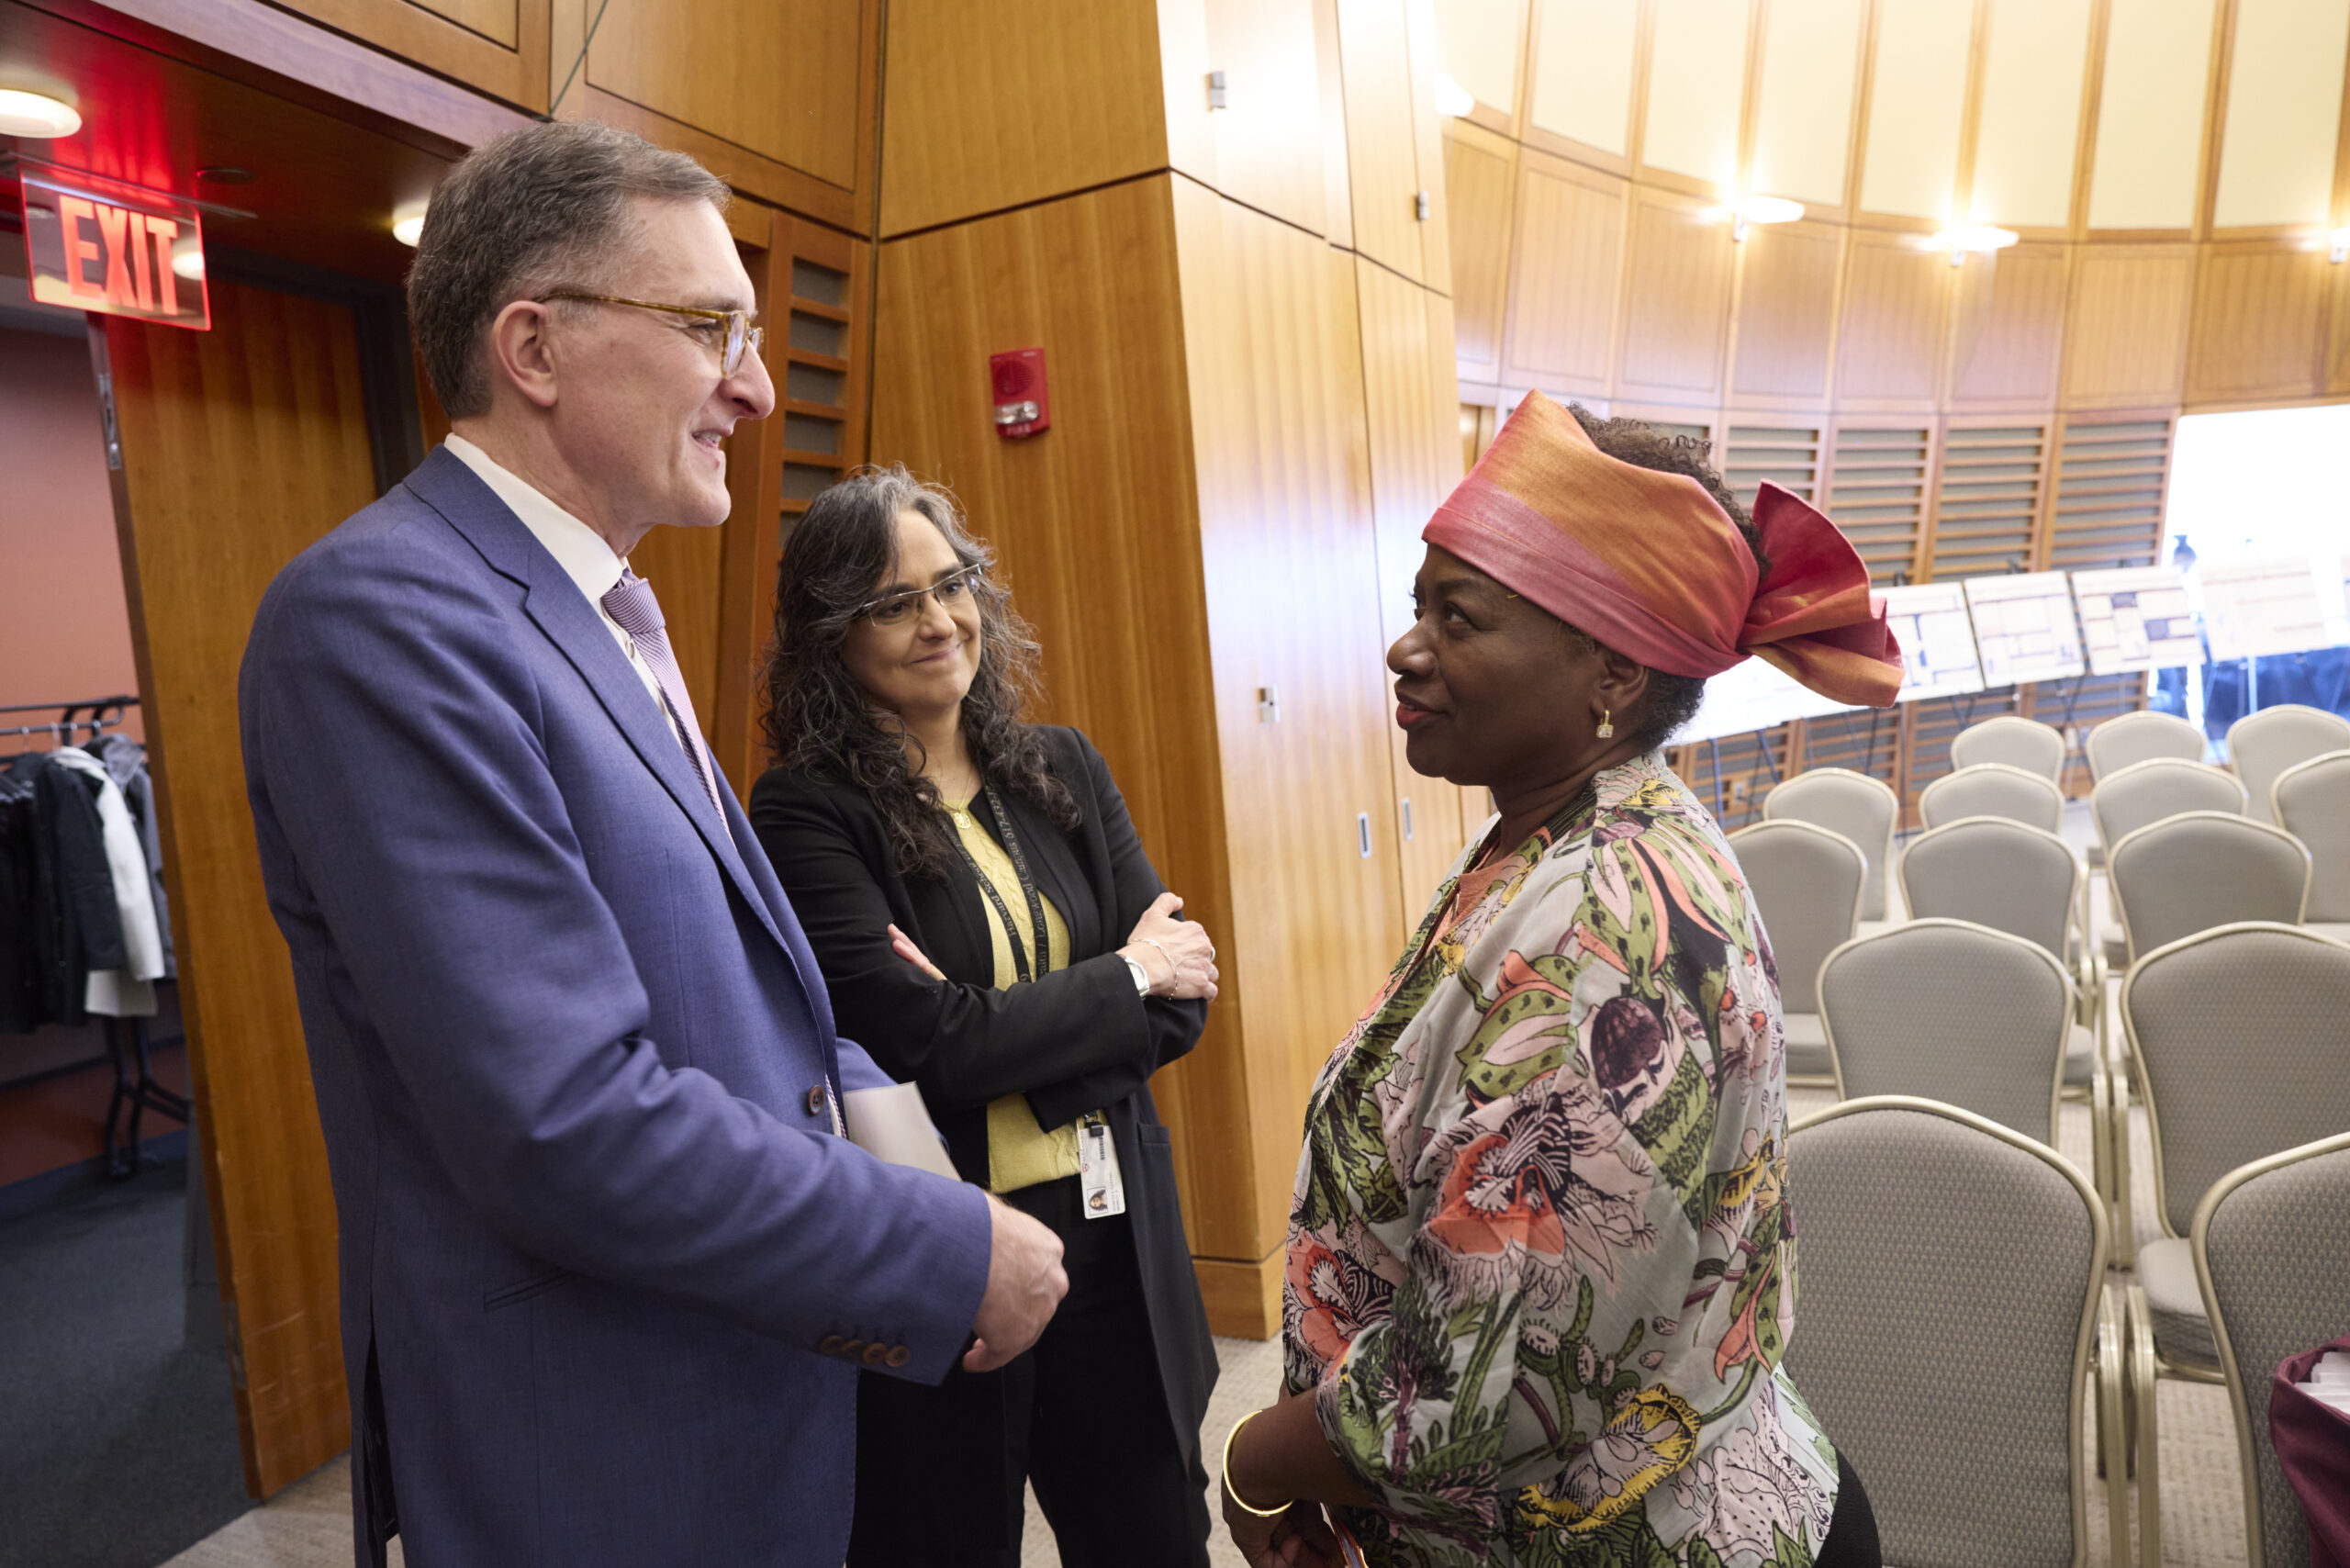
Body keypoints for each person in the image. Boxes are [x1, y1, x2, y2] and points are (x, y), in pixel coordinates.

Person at [238, 122, 1066, 1568]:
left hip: (744, 1385)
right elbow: (562, 1120)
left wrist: (885, 1127)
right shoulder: (382, 621)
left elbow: (734, 993)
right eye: (709, 329)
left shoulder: (606, 607)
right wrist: (934, 1254)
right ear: (536, 348)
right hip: (600, 1445)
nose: (752, 385)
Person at [1216, 392, 1898, 1568]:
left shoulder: (1596, 940)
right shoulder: (1567, 833)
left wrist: (1255, 1460)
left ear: (1612, 673)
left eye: (1460, 616)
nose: (1408, 644)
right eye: (1417, 604)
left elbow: (1465, 1390)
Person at [748, 467, 1223, 1568]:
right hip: (951, 1251)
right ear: (831, 636)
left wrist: (1022, 1022)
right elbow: (925, 1048)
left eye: (950, 584)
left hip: (1113, 1234)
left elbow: (1184, 998)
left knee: (1153, 1541)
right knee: (947, 1540)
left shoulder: (1061, 768)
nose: (935, 621)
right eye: (889, 602)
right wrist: (1120, 977)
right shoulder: (811, 811)